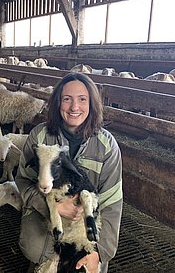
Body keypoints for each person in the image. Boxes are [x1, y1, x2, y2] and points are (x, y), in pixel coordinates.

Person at [15, 72, 123, 273]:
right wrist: (53, 207)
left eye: (82, 99)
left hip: (87, 220)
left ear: (92, 103)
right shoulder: (40, 136)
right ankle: (46, 259)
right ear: (57, 103)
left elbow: (112, 201)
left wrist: (99, 251)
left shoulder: (107, 146)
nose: (74, 107)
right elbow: (23, 180)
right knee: (35, 248)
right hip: (49, 213)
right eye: (67, 99)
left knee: (88, 258)